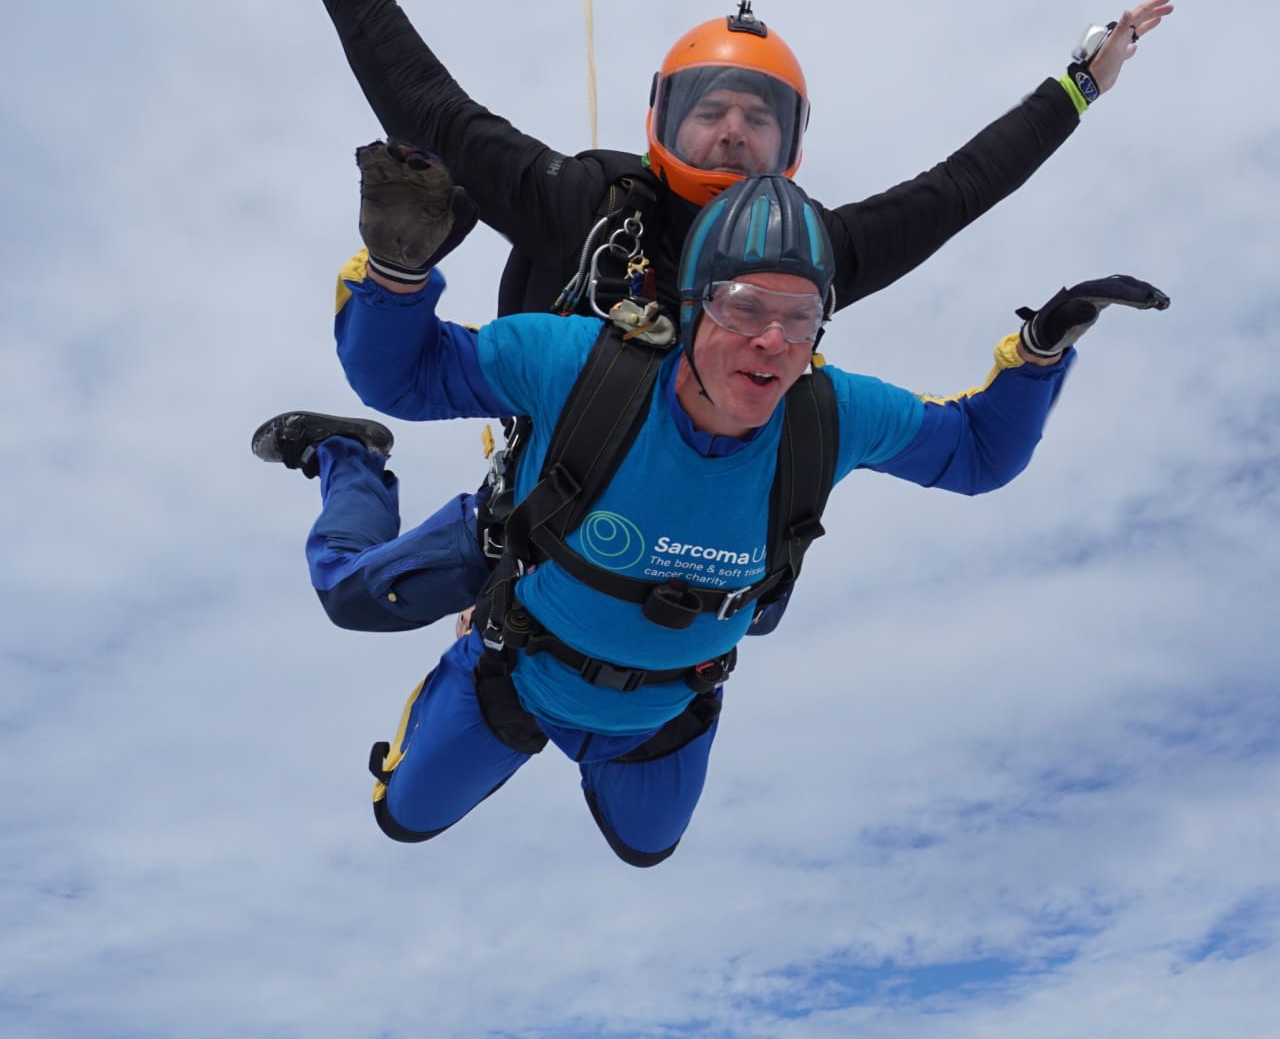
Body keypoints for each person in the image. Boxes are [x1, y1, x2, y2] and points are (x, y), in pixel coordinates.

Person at [228, 0, 1173, 631]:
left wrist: (1079, 84)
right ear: (661, 121)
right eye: (710, 109)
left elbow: (960, 189)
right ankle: (350, 458)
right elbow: (430, 109)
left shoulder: (813, 255)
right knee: (356, 599)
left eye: (759, 116)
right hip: (543, 496)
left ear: (791, 144)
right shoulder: (587, 200)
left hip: (679, 540)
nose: (731, 130)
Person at [253, 173, 1169, 866]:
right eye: (743, 307)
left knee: (647, 849)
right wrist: (397, 270)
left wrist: (1041, 352)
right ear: (692, 307)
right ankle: (349, 462)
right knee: (402, 815)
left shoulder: (830, 412)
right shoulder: (580, 362)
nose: (772, 340)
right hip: (514, 676)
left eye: (800, 316)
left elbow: (976, 454)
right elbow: (406, 377)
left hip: (664, 714)